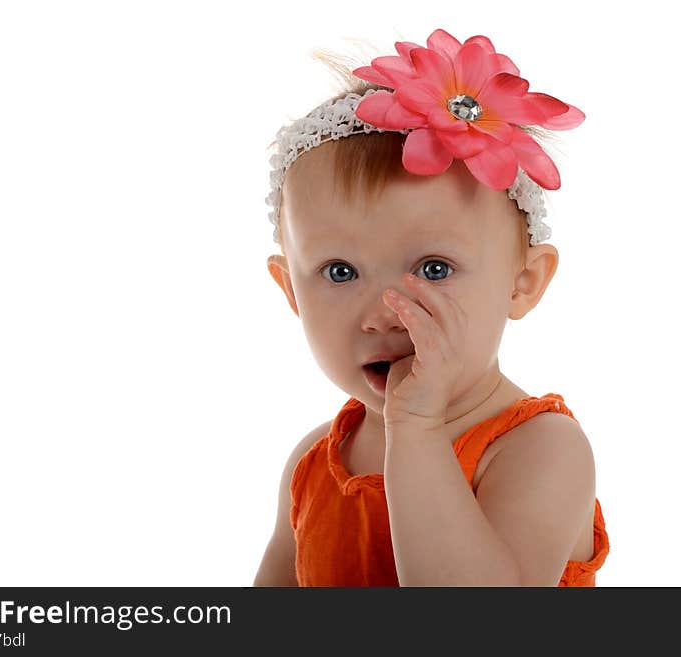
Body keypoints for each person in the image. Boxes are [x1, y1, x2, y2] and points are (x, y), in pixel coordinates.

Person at [254, 27, 609, 587]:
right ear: (292, 293)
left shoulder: (541, 450)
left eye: (434, 269)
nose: (386, 312)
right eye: (340, 272)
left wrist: (416, 432)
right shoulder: (314, 460)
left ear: (523, 283)